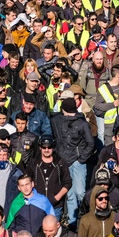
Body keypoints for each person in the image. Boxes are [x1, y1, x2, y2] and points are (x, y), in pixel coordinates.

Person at [50, 97, 94, 228]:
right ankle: (73, 222)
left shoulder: (82, 123)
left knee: (80, 192)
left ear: (64, 109)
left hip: (77, 162)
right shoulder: (58, 121)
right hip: (64, 161)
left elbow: (90, 143)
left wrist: (81, 159)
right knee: (69, 194)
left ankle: (86, 215)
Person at [28, 135, 72, 221]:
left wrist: (57, 198)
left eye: (49, 147)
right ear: (40, 148)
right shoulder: (34, 162)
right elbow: (27, 180)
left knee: (53, 232)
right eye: (44, 147)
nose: (46, 150)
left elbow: (68, 182)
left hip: (55, 206)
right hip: (37, 204)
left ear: (53, 147)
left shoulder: (60, 162)